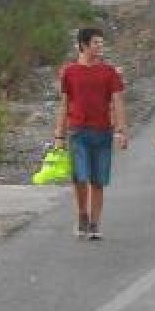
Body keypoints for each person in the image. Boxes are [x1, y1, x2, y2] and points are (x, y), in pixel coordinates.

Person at [54, 28, 128, 240]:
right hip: (77, 131)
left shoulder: (109, 72)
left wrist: (122, 130)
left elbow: (117, 101)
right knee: (80, 177)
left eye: (101, 43)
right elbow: (64, 103)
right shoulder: (69, 72)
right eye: (96, 43)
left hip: (103, 131)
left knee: (98, 180)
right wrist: (59, 134)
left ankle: (95, 223)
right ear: (84, 45)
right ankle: (82, 214)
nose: (100, 47)